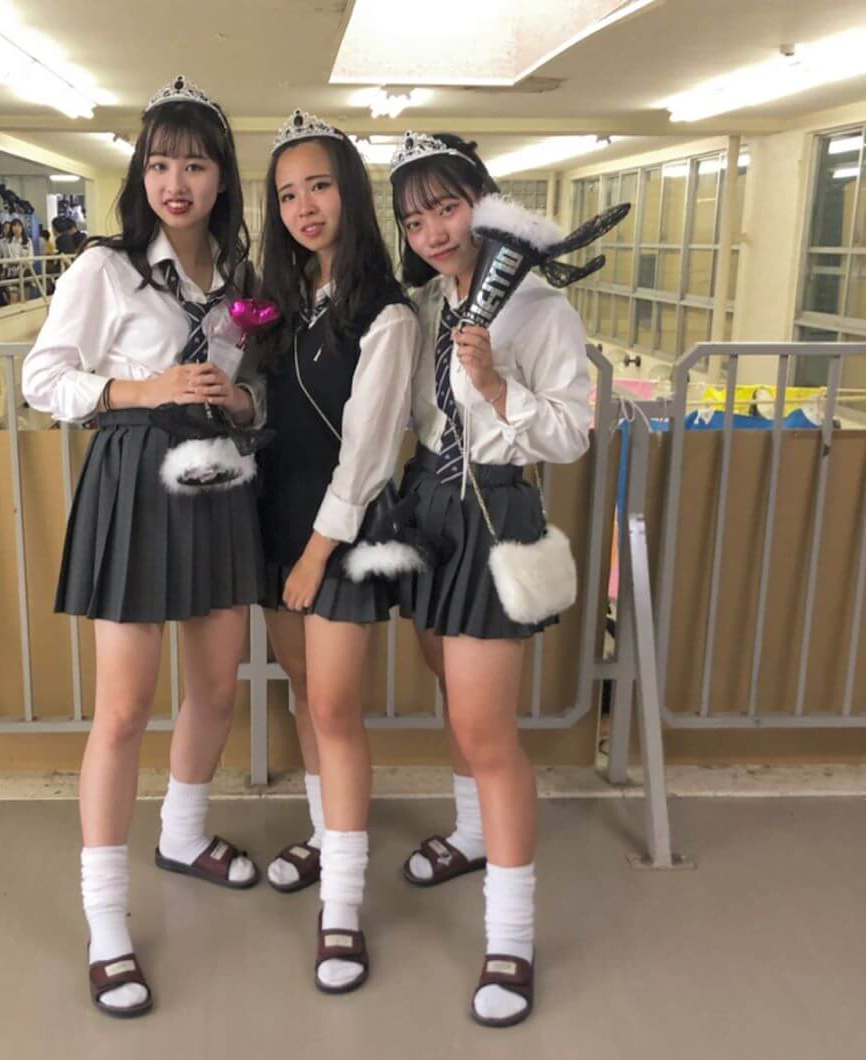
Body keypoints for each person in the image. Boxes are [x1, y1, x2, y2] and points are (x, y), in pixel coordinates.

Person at [21, 75, 265, 1020]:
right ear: (141, 174)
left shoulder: (241, 278)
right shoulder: (106, 268)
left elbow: (251, 393)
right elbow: (46, 377)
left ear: (220, 179)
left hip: (217, 480)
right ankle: (106, 920)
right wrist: (141, 390)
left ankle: (184, 835)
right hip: (133, 480)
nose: (176, 182)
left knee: (216, 689)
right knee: (123, 711)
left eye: (195, 165)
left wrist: (239, 401)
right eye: (160, 163)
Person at [390, 132, 590, 1027]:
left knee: (487, 729)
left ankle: (510, 938)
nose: (434, 231)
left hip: (496, 503)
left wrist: (499, 386)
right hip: (429, 505)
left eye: (447, 207)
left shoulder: (540, 308)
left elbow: (573, 433)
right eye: (414, 219)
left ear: (482, 200)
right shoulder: (425, 304)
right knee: (448, 687)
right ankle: (471, 834)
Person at [254, 111, 420, 993]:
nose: (304, 207)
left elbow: (369, 451)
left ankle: (344, 906)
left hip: (340, 534)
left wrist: (317, 553)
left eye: (319, 186)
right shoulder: (281, 303)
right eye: (288, 194)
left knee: (335, 707)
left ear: (350, 192)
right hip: (278, 520)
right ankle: (325, 837)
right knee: (300, 693)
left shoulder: (385, 313)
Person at [0, 217, 35, 302]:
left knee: (24, 299)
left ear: (22, 227)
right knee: (13, 297)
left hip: (24, 271)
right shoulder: (6, 242)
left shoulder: (27, 241)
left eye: (19, 226)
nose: (17, 228)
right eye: (14, 226)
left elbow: (31, 257)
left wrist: (26, 264)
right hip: (10, 271)